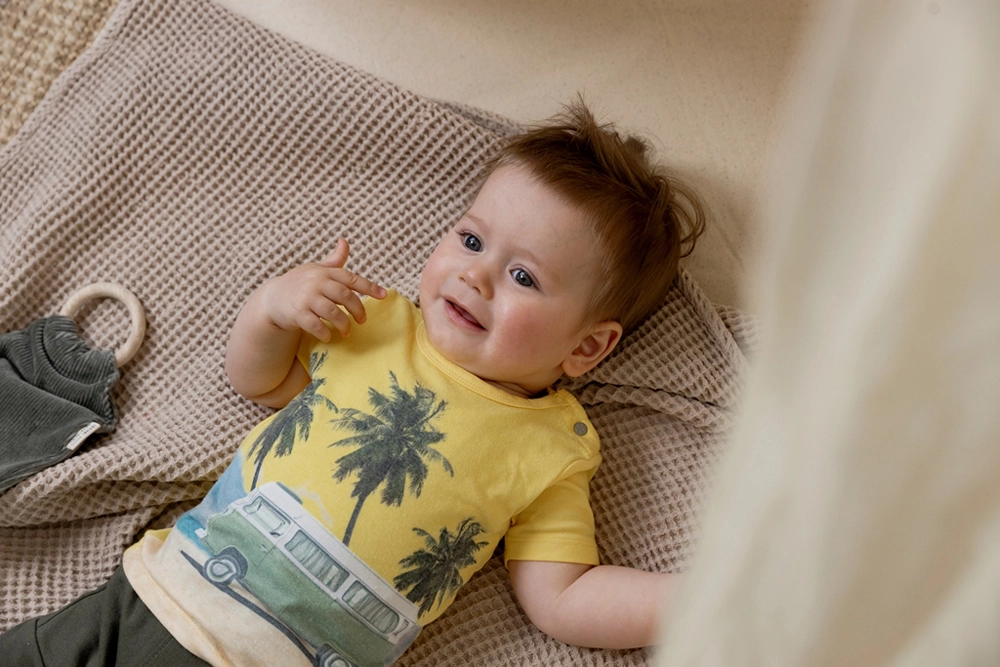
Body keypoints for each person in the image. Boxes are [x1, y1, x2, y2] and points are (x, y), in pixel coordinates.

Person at [0, 100, 704, 666]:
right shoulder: (375, 322)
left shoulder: (552, 447)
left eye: (523, 276)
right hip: (161, 590)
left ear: (587, 345)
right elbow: (259, 380)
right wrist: (273, 307)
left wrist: (706, 598)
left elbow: (562, 597)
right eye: (470, 240)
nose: (475, 275)